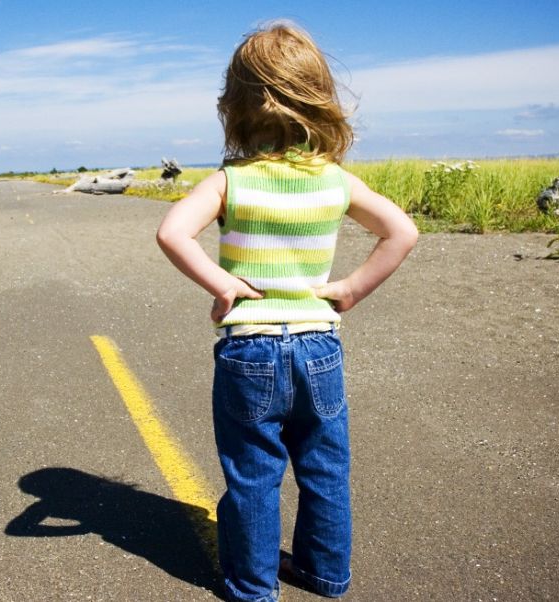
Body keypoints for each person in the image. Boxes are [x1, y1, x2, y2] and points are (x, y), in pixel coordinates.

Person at [156, 20, 418, 602]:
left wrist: (223, 285)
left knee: (254, 473)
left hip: (248, 346)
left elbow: (173, 233)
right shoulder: (335, 181)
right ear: (320, 98)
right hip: (318, 344)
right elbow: (401, 231)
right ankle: (325, 574)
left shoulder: (230, 181)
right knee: (324, 467)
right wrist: (349, 289)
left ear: (235, 105)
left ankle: (252, 586)